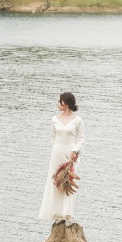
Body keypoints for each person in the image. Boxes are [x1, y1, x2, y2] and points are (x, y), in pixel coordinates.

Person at [38, 92, 85, 225]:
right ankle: (58, 214)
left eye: (61, 101)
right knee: (57, 181)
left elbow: (81, 139)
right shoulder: (55, 119)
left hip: (71, 154)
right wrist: (56, 151)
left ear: (67, 103)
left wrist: (75, 151)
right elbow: (53, 138)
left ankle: (68, 215)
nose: (58, 104)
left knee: (69, 182)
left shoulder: (77, 120)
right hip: (57, 152)